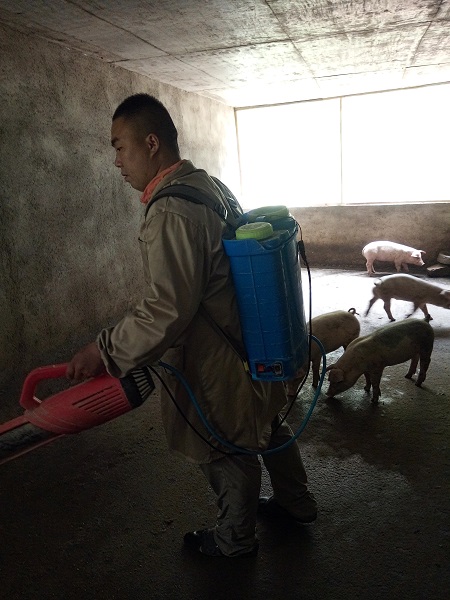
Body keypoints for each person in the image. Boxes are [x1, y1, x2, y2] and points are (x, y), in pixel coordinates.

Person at [67, 93, 317, 558]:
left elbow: (166, 309)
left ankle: (234, 541)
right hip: (252, 336)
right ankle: (296, 502)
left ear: (152, 143)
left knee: (225, 441)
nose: (116, 161)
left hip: (216, 353)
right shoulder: (208, 185)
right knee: (266, 418)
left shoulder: (171, 211)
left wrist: (104, 349)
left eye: (120, 147)